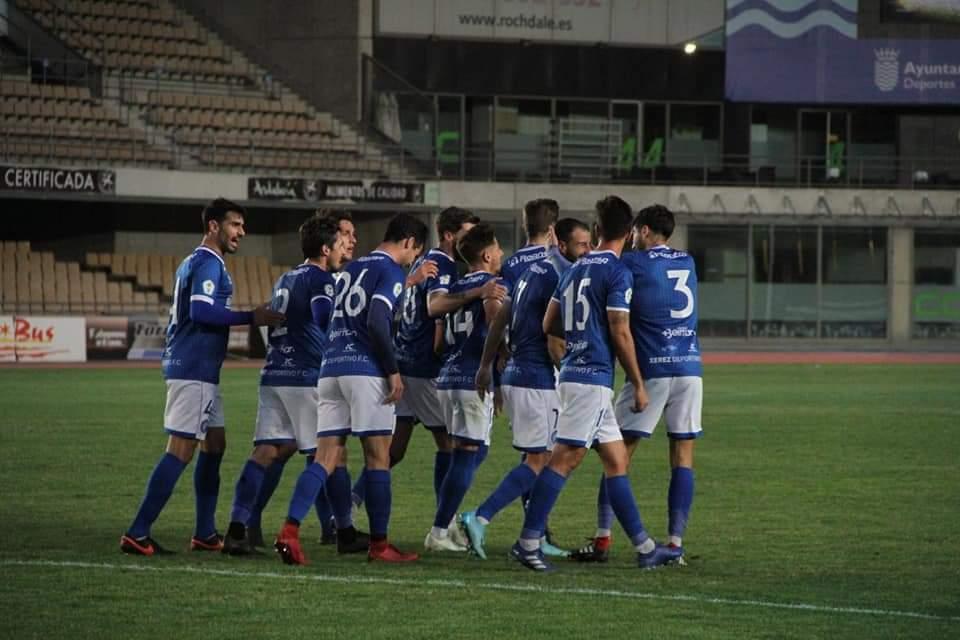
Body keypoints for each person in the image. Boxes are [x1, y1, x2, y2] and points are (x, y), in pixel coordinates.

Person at [509, 196, 681, 572]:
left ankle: (645, 547)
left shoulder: (574, 267)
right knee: (565, 459)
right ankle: (527, 541)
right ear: (629, 231)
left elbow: (548, 324)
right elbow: (620, 330)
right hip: (590, 379)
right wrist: (637, 382)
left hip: (580, 375)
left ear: (599, 230)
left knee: (617, 460)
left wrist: (581, 335)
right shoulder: (618, 272)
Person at [120, 198, 284, 556]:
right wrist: (250, 317)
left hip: (201, 370)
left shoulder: (197, 262)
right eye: (235, 224)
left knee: (216, 445)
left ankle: (206, 533)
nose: (241, 232)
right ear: (214, 226)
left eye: (242, 225)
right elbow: (201, 311)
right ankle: (138, 531)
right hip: (193, 369)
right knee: (181, 449)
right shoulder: (209, 263)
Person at [274, 212, 428, 565]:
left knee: (325, 457)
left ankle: (290, 531)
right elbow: (376, 320)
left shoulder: (350, 269)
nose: (412, 261)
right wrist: (392, 371)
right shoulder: (391, 270)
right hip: (365, 372)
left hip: (330, 369)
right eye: (414, 254)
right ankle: (379, 544)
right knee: (379, 458)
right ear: (408, 243)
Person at [222, 215, 368, 556]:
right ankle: (344, 532)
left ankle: (236, 528)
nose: (341, 249)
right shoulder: (321, 279)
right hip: (305, 376)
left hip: (275, 373)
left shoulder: (286, 278)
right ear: (324, 248)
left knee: (267, 451)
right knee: (335, 454)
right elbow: (323, 317)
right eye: (337, 244)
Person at [573, 204, 702, 565]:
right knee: (683, 456)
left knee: (617, 455)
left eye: (635, 232)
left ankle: (602, 539)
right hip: (690, 367)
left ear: (643, 231)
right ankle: (675, 544)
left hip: (651, 370)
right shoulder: (688, 261)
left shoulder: (631, 263)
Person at [461, 218, 592, 559]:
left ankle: (535, 534)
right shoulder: (558, 277)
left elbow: (501, 317)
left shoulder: (531, 272)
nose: (588, 251)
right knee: (540, 460)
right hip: (535, 378)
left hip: (518, 374)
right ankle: (481, 516)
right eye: (582, 245)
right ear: (561, 245)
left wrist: (486, 365)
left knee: (537, 455)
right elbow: (552, 340)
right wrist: (573, 375)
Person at [424, 223, 504, 552]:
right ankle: (440, 530)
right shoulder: (491, 285)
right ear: (486, 255)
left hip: (448, 378)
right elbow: (496, 324)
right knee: (466, 455)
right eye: (498, 249)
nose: (501, 254)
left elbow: (439, 340)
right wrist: (499, 364)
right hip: (472, 378)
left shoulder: (457, 287)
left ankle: (447, 521)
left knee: (471, 451)